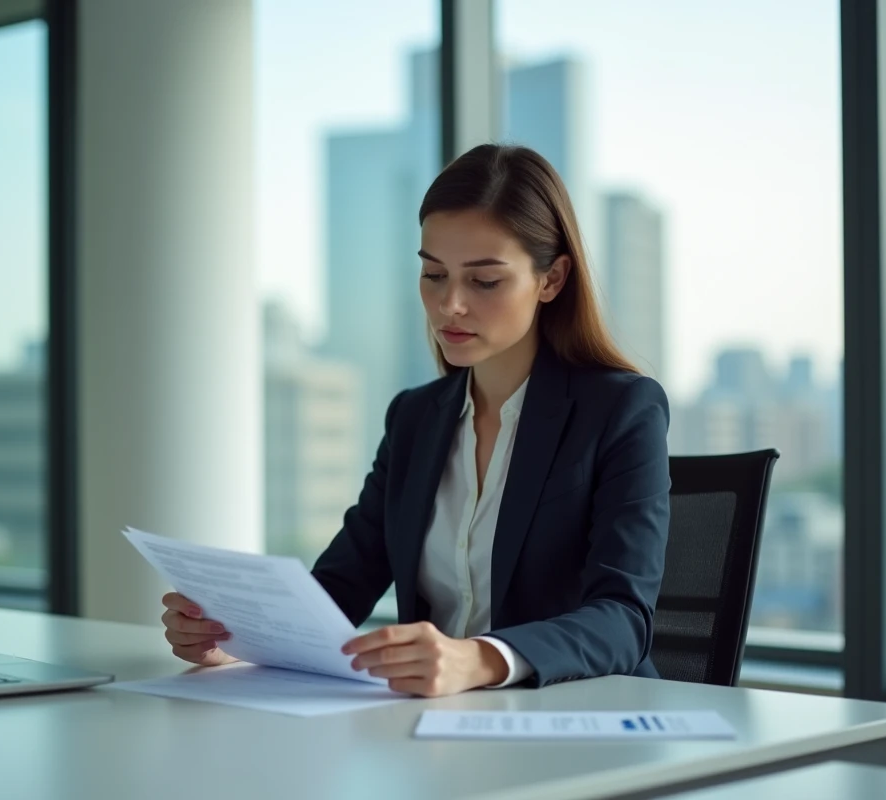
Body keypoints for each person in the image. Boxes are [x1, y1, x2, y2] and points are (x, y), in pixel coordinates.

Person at [160, 143, 671, 697]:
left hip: (580, 722)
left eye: (485, 281)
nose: (450, 304)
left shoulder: (620, 410)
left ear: (550, 279)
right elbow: (341, 586)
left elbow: (624, 618)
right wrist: (236, 635)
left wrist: (478, 659)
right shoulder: (415, 418)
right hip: (434, 728)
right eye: (433, 274)